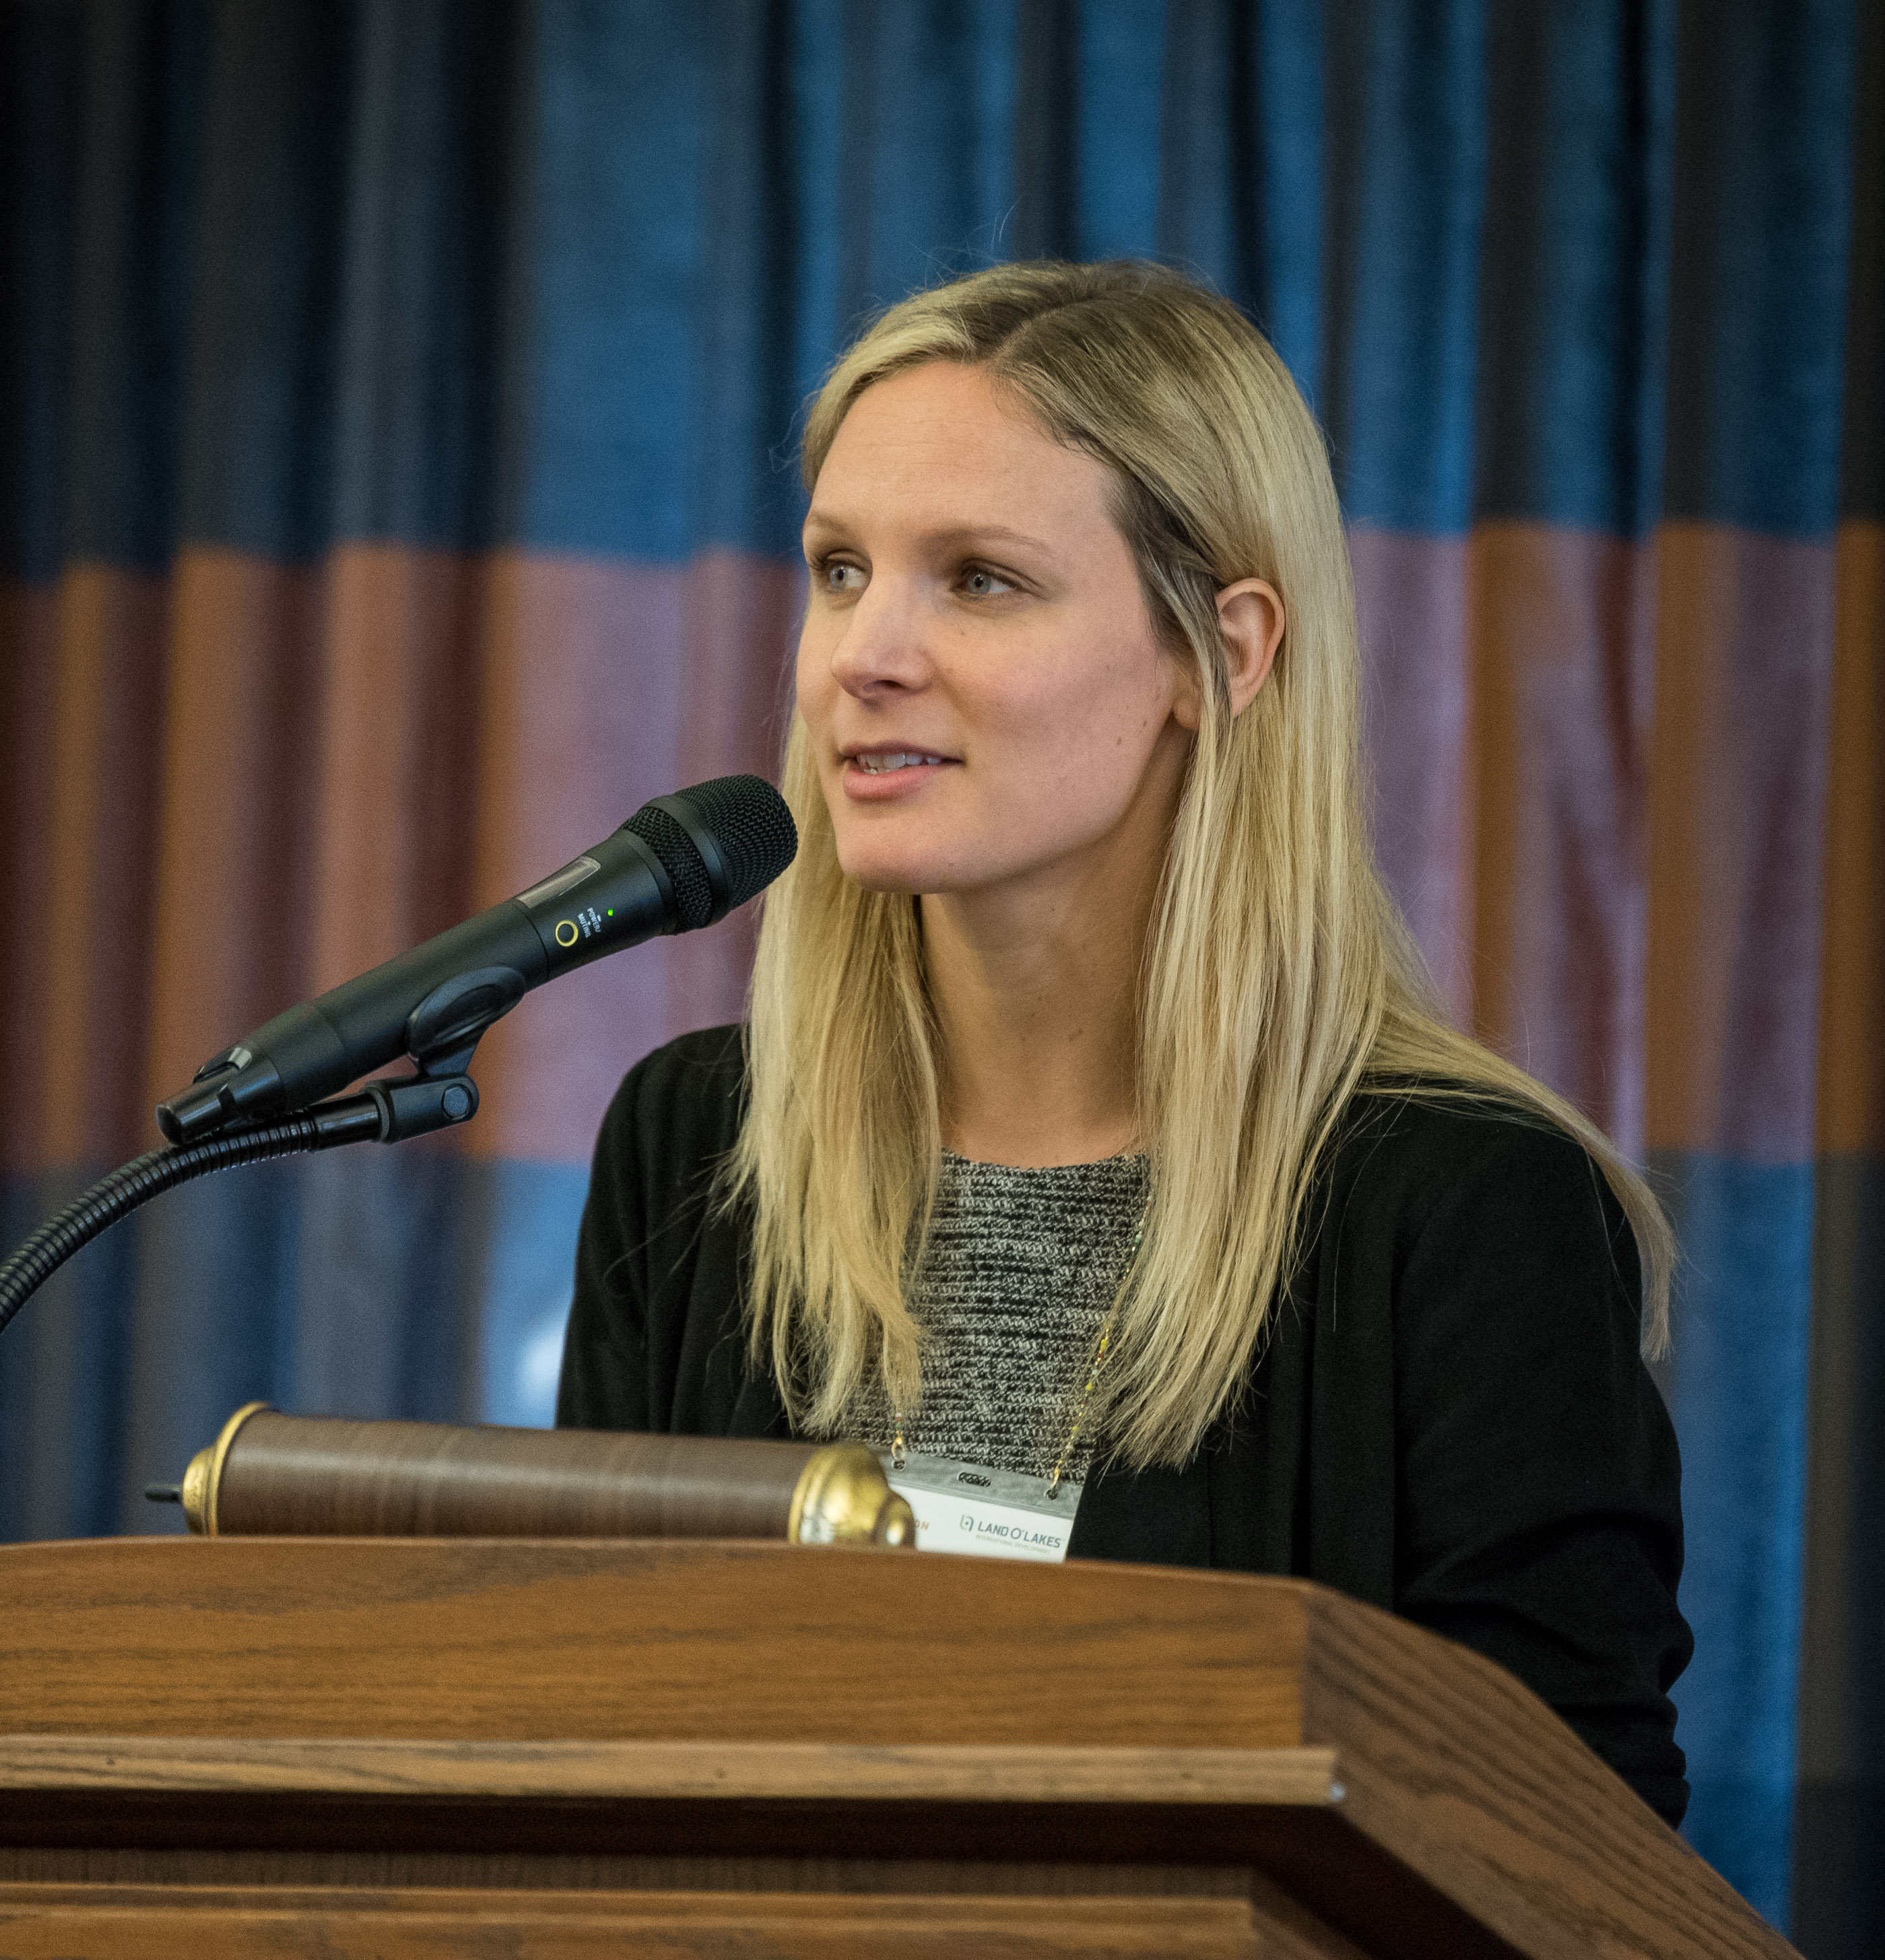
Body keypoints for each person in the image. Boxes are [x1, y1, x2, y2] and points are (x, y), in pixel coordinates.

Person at [554, 259, 1690, 1826]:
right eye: (839, 570)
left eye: (979, 580)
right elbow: (587, 1734)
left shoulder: (1468, 1203)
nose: (863, 654)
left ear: (1222, 654)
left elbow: (1560, 1842)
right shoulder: (696, 1148)